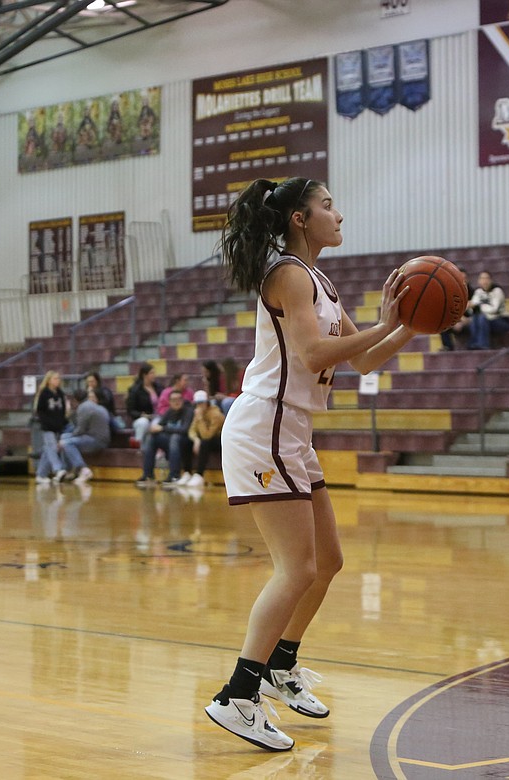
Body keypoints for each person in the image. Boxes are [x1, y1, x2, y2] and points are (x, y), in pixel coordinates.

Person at [204, 176, 414, 752]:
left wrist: (406, 323)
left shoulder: (320, 280)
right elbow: (314, 354)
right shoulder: (287, 274)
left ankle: (281, 665)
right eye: (326, 205)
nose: (338, 214)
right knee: (296, 567)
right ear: (299, 219)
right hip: (266, 426)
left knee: (329, 562)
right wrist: (385, 324)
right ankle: (238, 695)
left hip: (291, 430)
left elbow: (365, 357)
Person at [136, 387, 192, 489]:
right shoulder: (169, 412)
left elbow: (184, 430)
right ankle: (148, 475)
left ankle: (174, 476)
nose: (176, 402)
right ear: (169, 402)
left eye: (179, 399)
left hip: (186, 442)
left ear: (182, 400)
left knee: (175, 437)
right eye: (173, 400)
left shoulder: (188, 411)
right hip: (171, 443)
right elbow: (159, 427)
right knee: (152, 437)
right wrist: (153, 429)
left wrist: (163, 428)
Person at [59, 388, 111, 484]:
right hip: (101, 439)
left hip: (96, 440)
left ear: (75, 400)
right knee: (63, 438)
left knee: (65, 443)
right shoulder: (96, 406)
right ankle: (69, 470)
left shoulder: (83, 407)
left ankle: (83, 469)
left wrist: (68, 413)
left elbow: (80, 430)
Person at [178, 389, 225, 488]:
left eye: (201, 403)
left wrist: (199, 419)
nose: (199, 406)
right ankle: (187, 472)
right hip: (205, 439)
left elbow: (207, 435)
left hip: (220, 440)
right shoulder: (199, 412)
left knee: (205, 443)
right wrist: (196, 440)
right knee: (184, 441)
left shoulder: (216, 415)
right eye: (197, 403)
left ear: (206, 402)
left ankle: (199, 475)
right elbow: (191, 430)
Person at [34, 371, 69, 485]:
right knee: (52, 448)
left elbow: (63, 410)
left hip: (58, 426)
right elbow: (40, 411)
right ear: (49, 380)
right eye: (55, 378)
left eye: (58, 378)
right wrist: (46, 422)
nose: (57, 381)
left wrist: (62, 423)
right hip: (47, 426)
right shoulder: (44, 393)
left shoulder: (60, 393)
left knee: (48, 450)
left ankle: (40, 474)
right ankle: (58, 470)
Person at [465, 271, 509, 349]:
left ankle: (483, 344)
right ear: (479, 281)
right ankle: (473, 343)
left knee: (482, 317)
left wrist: (478, 306)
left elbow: (494, 309)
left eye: (487, 278)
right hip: (484, 320)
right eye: (482, 278)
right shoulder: (478, 292)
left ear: (491, 280)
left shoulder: (497, 291)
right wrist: (470, 307)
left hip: (500, 321)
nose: (484, 281)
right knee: (475, 318)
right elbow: (472, 310)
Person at [126, 362, 159, 445]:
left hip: (157, 417)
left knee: (157, 423)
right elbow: (131, 410)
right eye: (151, 373)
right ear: (145, 375)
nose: (154, 375)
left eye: (154, 373)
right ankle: (139, 446)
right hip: (141, 418)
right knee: (143, 422)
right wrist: (142, 415)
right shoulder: (135, 390)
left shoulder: (159, 387)